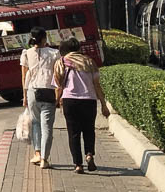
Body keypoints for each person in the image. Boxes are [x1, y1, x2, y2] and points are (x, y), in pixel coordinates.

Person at [54, 37, 110, 174]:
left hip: (70, 101)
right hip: (89, 100)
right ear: (79, 48)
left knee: (73, 133)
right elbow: (97, 85)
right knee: (89, 130)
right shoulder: (90, 62)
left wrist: (56, 100)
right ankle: (89, 154)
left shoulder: (61, 62)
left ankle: (78, 164)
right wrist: (103, 104)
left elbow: (58, 86)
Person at [20, 26, 59, 168]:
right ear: (44, 38)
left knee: (35, 123)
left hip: (31, 91)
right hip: (48, 90)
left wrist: (24, 96)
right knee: (47, 126)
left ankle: (37, 153)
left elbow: (24, 76)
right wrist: (59, 95)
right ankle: (44, 158)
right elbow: (58, 74)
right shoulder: (55, 53)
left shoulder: (26, 53)